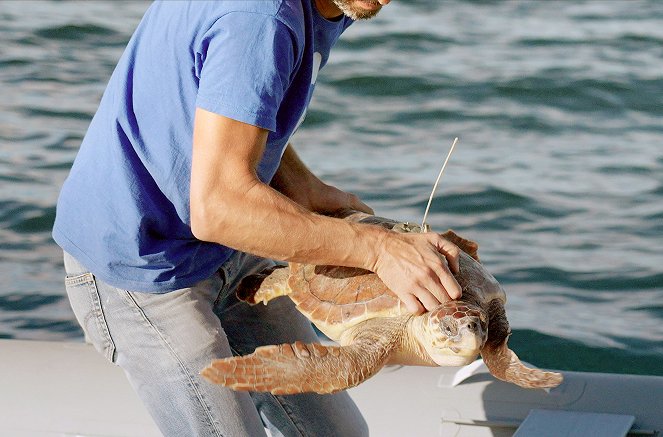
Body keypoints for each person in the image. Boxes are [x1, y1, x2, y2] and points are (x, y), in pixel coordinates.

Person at [52, 0, 463, 435]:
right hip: (143, 260)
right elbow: (217, 210)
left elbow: (237, 103)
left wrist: (300, 183)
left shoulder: (329, 6)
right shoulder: (261, 18)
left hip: (228, 250)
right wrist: (379, 251)